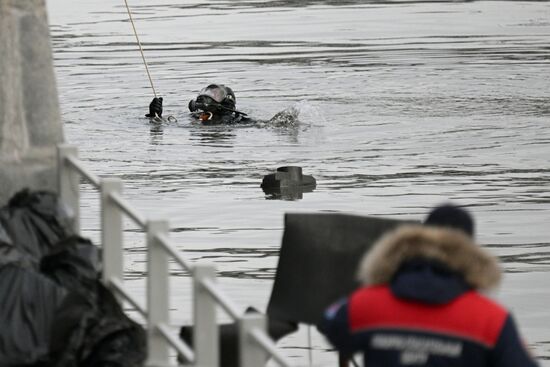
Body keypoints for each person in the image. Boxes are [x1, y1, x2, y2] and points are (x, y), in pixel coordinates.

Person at [319, 203, 539, 367]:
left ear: (416, 241)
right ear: (470, 252)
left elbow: (330, 324)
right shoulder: (492, 320)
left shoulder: (365, 304)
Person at [146, 84, 250, 125]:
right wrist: (155, 116)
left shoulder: (236, 120)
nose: (207, 97)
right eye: (207, 92)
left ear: (227, 102)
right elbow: (170, 123)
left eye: (215, 94)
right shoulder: (196, 117)